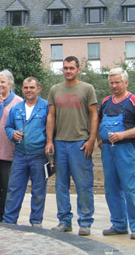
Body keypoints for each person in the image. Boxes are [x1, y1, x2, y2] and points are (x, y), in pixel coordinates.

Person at [45, 56, 98, 236]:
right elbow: (51, 116)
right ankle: (64, 221)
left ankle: (85, 221)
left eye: (71, 68)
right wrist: (50, 140)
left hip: (80, 143)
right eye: (65, 68)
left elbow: (94, 115)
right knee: (61, 185)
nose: (68, 71)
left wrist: (91, 139)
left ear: (78, 70)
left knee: (83, 184)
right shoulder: (55, 90)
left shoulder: (87, 89)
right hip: (60, 143)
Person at [97, 67, 135, 240]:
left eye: (117, 82)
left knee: (131, 189)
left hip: (126, 151)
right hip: (108, 151)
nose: (114, 85)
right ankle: (118, 225)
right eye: (111, 82)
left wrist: (123, 135)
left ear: (126, 82)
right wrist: (99, 139)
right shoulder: (105, 102)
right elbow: (98, 122)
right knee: (111, 189)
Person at [2, 77, 49, 227]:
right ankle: (9, 221)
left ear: (38, 89)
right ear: (22, 89)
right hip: (20, 154)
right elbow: (8, 127)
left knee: (38, 190)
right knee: (14, 189)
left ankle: (36, 221)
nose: (29, 90)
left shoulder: (46, 107)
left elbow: (52, 128)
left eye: (32, 87)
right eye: (26, 88)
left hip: (39, 154)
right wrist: (12, 134)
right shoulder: (16, 108)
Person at [0, 70, 23, 222]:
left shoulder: (18, 102)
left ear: (10, 84)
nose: (0, 85)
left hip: (9, 151)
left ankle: (9, 216)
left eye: (3, 82)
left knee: (8, 186)